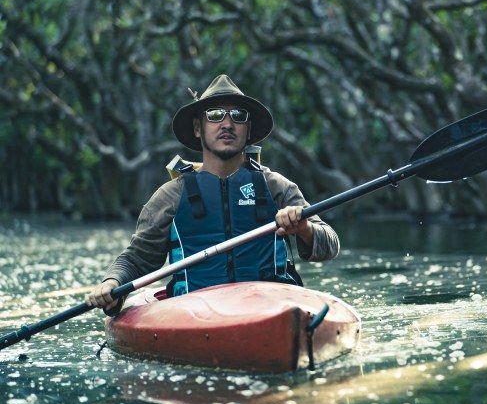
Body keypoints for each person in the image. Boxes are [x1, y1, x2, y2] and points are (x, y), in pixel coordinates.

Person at [86, 74, 339, 314]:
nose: (227, 124)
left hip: (269, 307)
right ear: (198, 128)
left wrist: (304, 228)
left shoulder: (275, 187)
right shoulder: (170, 197)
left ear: (248, 130)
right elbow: (137, 259)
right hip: (196, 311)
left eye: (238, 116)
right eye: (215, 115)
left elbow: (330, 245)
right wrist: (111, 282)